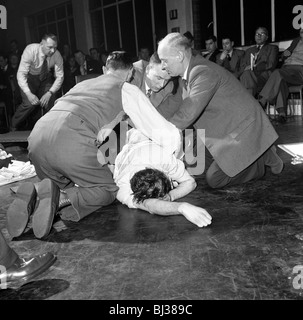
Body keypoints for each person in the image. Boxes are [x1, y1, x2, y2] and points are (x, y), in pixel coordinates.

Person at [7, 51, 181, 240]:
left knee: (58, 184)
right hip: (70, 142)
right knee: (108, 190)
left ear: (106, 70)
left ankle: (39, 196)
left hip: (36, 139)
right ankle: (61, 201)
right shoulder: (126, 89)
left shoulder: (82, 84)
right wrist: (174, 162)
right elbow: (162, 131)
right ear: (130, 73)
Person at [157, 32, 284, 189]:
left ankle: (259, 160)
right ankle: (255, 153)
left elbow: (188, 112)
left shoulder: (203, 71)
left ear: (179, 55)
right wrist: (142, 120)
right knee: (194, 166)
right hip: (224, 131)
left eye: (164, 61)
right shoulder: (188, 74)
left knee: (215, 179)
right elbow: (173, 102)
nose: (162, 66)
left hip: (243, 131)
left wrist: (158, 133)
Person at [113, 128, 212, 228]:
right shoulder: (123, 188)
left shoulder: (162, 157)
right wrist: (181, 207)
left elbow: (191, 182)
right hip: (135, 142)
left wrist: (171, 195)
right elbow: (149, 205)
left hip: (154, 133)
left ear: (162, 172)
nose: (162, 198)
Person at [10, 33, 64, 131]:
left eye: (55, 47)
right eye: (50, 47)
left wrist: (49, 93)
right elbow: (21, 74)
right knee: (29, 104)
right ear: (41, 44)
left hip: (45, 77)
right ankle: (13, 125)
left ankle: (51, 129)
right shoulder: (30, 50)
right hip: (29, 78)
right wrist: (29, 94)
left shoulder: (57, 54)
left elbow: (60, 77)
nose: (53, 51)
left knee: (50, 100)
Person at [258, 27, 303, 123]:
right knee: (280, 81)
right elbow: (283, 56)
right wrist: (285, 54)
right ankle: (282, 114)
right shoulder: (296, 41)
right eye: (301, 30)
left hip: (299, 71)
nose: (301, 32)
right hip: (287, 69)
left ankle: (262, 101)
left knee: (277, 73)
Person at [131, 52, 182, 116]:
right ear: (148, 69)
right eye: (159, 78)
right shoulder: (130, 78)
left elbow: (163, 116)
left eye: (166, 80)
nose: (162, 85)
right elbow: (120, 114)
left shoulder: (168, 88)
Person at [239, 27, 279, 97]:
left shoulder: (273, 48)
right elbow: (242, 66)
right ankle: (250, 101)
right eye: (257, 34)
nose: (259, 36)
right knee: (246, 75)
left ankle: (246, 102)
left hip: (264, 77)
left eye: (262, 34)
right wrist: (247, 68)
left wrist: (255, 66)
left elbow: (271, 64)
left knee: (246, 77)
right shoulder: (249, 50)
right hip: (248, 77)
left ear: (267, 37)